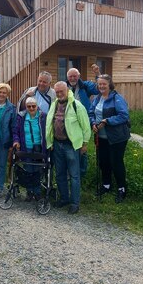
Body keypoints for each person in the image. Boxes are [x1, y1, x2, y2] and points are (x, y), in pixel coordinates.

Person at [45, 81, 91, 214]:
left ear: (67, 90)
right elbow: (49, 125)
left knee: (74, 175)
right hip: (57, 144)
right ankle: (64, 198)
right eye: (57, 92)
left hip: (72, 145)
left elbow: (86, 126)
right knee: (59, 174)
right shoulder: (54, 105)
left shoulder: (77, 105)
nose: (59, 94)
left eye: (61, 92)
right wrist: (50, 143)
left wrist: (85, 143)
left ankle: (75, 203)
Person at [88, 74, 131, 203]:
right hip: (101, 137)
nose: (101, 86)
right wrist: (93, 123)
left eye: (104, 84)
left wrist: (107, 121)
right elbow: (90, 112)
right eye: (99, 84)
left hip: (117, 137)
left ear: (109, 85)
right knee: (103, 162)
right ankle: (106, 185)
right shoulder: (97, 98)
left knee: (116, 163)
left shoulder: (117, 99)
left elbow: (124, 115)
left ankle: (121, 189)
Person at [66, 67, 99, 178]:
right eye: (70, 76)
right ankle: (69, 172)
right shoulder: (65, 87)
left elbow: (98, 89)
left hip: (83, 120)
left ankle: (81, 173)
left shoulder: (85, 85)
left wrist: (97, 75)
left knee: (82, 148)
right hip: (69, 122)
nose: (72, 78)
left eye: (75, 76)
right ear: (67, 77)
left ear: (79, 76)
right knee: (69, 146)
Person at [13, 96, 47, 201]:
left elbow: (48, 131)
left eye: (33, 106)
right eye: (29, 106)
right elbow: (16, 131)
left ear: (37, 106)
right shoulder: (21, 117)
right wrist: (16, 141)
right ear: (26, 107)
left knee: (37, 171)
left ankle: (37, 192)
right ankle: (29, 192)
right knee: (28, 170)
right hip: (26, 147)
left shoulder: (43, 116)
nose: (31, 108)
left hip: (39, 148)